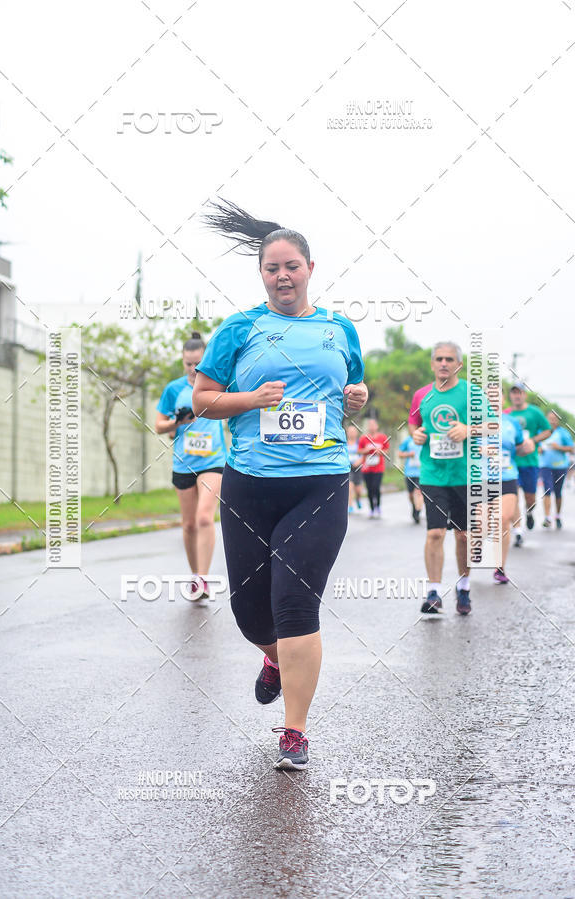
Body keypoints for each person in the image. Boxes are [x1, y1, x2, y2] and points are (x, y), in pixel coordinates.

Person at [192, 200, 368, 770]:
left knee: (295, 602)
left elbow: (353, 389)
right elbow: (203, 401)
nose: (282, 276)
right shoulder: (239, 329)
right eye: (272, 269)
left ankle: (294, 731)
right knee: (250, 614)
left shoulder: (340, 329)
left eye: (291, 266)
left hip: (319, 482)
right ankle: (270, 657)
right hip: (249, 484)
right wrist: (252, 400)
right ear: (261, 275)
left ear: (310, 268)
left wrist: (357, 399)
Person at [409, 341, 494, 616]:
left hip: (465, 475)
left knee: (463, 536)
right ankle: (433, 592)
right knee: (434, 532)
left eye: (449, 359)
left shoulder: (472, 393)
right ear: (432, 363)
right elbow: (414, 423)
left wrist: (470, 429)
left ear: (458, 364)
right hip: (433, 473)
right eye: (438, 359)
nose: (443, 363)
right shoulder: (423, 394)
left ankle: (464, 586)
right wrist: (416, 435)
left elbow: (494, 424)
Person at [155, 332, 227, 600]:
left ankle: (203, 578)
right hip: (184, 463)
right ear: (183, 362)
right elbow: (159, 425)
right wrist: (178, 423)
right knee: (188, 525)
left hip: (214, 461)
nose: (193, 369)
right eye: (188, 364)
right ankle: (195, 574)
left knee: (204, 517)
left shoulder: (218, 385)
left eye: (198, 363)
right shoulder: (173, 389)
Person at [490, 414, 535, 583]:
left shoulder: (511, 423)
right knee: (480, 525)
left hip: (506, 475)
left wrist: (528, 447)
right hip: (479, 477)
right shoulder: (471, 417)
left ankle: (499, 567)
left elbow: (519, 449)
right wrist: (481, 450)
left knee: (503, 518)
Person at [505, 382, 550, 544]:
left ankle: (530, 513)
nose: (517, 396)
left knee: (529, 497)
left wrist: (532, 440)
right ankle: (518, 531)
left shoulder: (534, 412)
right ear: (510, 395)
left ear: (524, 394)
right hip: (510, 463)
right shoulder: (506, 414)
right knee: (513, 497)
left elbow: (547, 430)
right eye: (514, 393)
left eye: (520, 393)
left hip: (530, 462)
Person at [539, 410, 574, 529]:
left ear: (558, 420)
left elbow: (571, 449)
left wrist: (558, 447)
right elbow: (534, 445)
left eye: (554, 418)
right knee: (547, 490)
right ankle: (547, 518)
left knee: (558, 492)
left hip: (560, 466)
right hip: (545, 466)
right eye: (550, 418)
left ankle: (558, 516)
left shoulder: (563, 433)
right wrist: (538, 450)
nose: (552, 421)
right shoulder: (542, 432)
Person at [358, 417, 389, 519]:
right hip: (366, 468)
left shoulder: (382, 437)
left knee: (376, 487)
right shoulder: (364, 438)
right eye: (369, 425)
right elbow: (359, 451)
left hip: (378, 468)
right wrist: (366, 450)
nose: (371, 427)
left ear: (377, 426)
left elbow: (387, 451)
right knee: (369, 488)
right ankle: (372, 508)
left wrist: (380, 451)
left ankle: (378, 506)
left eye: (373, 425)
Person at [398, 434, 423, 523]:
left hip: (421, 472)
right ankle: (414, 507)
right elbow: (399, 454)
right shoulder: (408, 440)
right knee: (411, 495)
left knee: (418, 492)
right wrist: (408, 454)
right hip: (409, 472)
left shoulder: (425, 437)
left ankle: (417, 512)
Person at [346, 424, 364, 513]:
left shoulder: (359, 443)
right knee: (350, 486)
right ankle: (350, 505)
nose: (351, 433)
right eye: (350, 432)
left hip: (358, 468)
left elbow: (364, 455)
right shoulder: (344, 443)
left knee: (358, 490)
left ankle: (358, 499)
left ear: (356, 433)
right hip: (348, 468)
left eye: (353, 432)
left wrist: (359, 461)